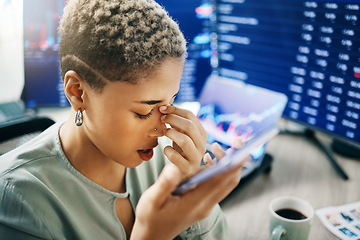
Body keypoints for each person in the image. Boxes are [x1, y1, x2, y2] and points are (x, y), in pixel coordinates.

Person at [0, 0, 247, 239]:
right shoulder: (18, 200)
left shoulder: (167, 161)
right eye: (143, 112)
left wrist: (194, 193)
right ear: (78, 92)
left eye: (169, 104)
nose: (162, 129)